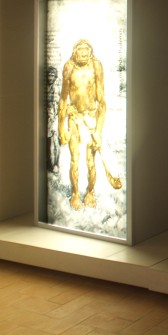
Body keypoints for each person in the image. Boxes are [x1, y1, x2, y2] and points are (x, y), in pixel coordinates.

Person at [58, 39, 106, 209]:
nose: (84, 53)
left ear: (91, 51)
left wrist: (98, 131)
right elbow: (63, 98)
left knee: (91, 161)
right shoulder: (69, 67)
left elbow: (102, 101)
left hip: (91, 118)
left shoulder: (96, 66)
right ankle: (75, 194)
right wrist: (61, 127)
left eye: (86, 49)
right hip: (75, 118)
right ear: (75, 52)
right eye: (80, 49)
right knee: (75, 160)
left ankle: (90, 192)